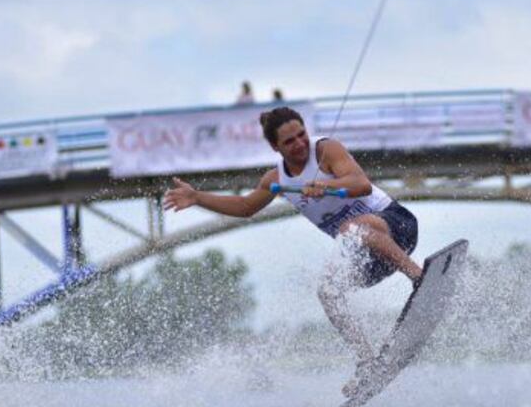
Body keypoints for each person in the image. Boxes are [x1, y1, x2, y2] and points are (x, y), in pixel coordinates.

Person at [162, 106, 422, 381]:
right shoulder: (276, 180)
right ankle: (367, 362)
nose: (299, 144)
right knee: (328, 291)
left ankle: (418, 276)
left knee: (350, 228)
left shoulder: (326, 151)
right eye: (289, 141)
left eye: (301, 135)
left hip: (397, 227)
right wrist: (197, 197)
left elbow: (362, 184)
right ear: (275, 147)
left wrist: (327, 186)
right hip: (372, 258)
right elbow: (245, 206)